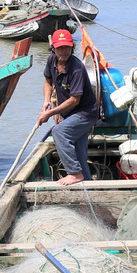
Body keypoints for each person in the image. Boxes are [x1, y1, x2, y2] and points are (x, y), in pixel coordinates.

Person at [37, 29, 98, 185]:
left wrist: (50, 113)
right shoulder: (52, 60)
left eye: (67, 47)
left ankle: (74, 173)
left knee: (59, 132)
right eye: (60, 48)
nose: (64, 51)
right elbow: (48, 82)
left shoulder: (77, 68)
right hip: (69, 115)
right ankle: (89, 190)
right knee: (78, 154)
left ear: (72, 48)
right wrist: (46, 101)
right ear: (53, 49)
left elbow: (74, 100)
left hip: (85, 113)